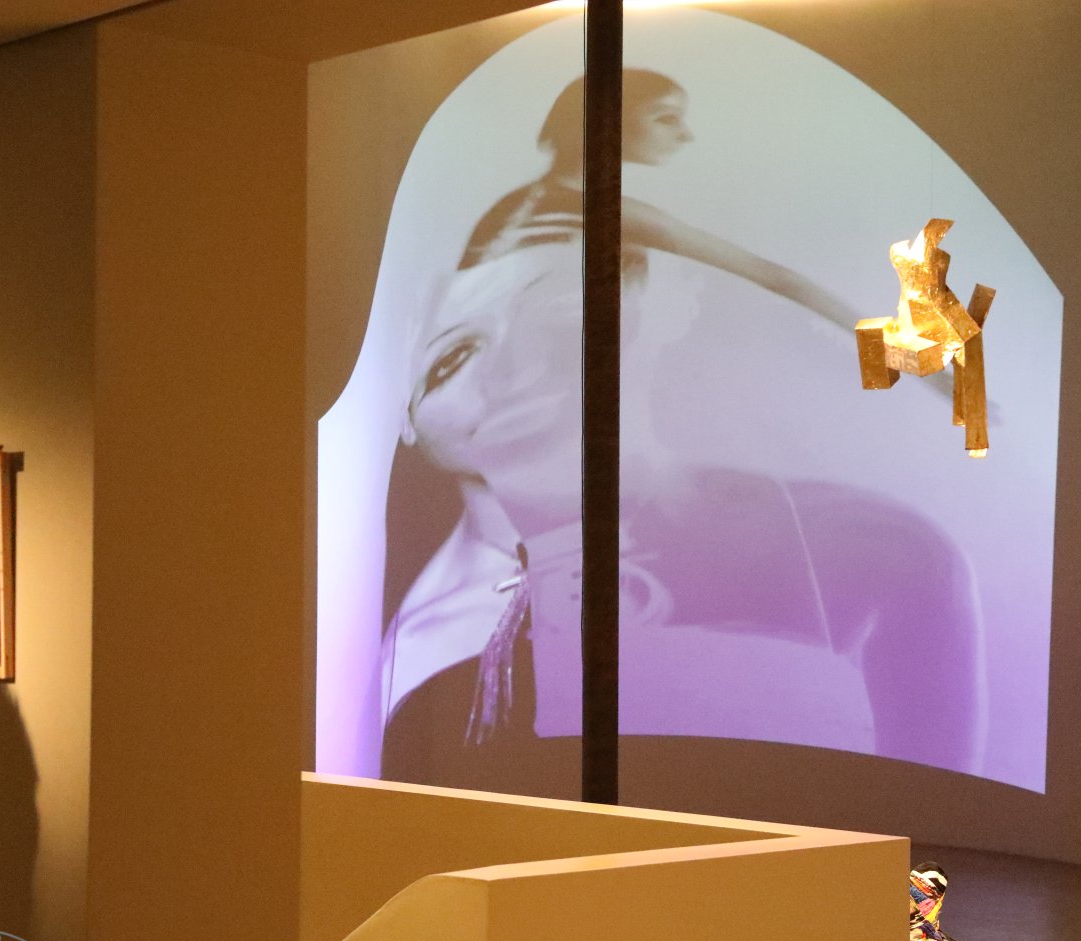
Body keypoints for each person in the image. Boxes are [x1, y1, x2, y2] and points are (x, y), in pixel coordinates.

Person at [379, 71, 984, 789]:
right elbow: (772, 276)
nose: (683, 134)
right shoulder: (563, 222)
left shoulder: (539, 221)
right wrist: (907, 357)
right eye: (666, 117)